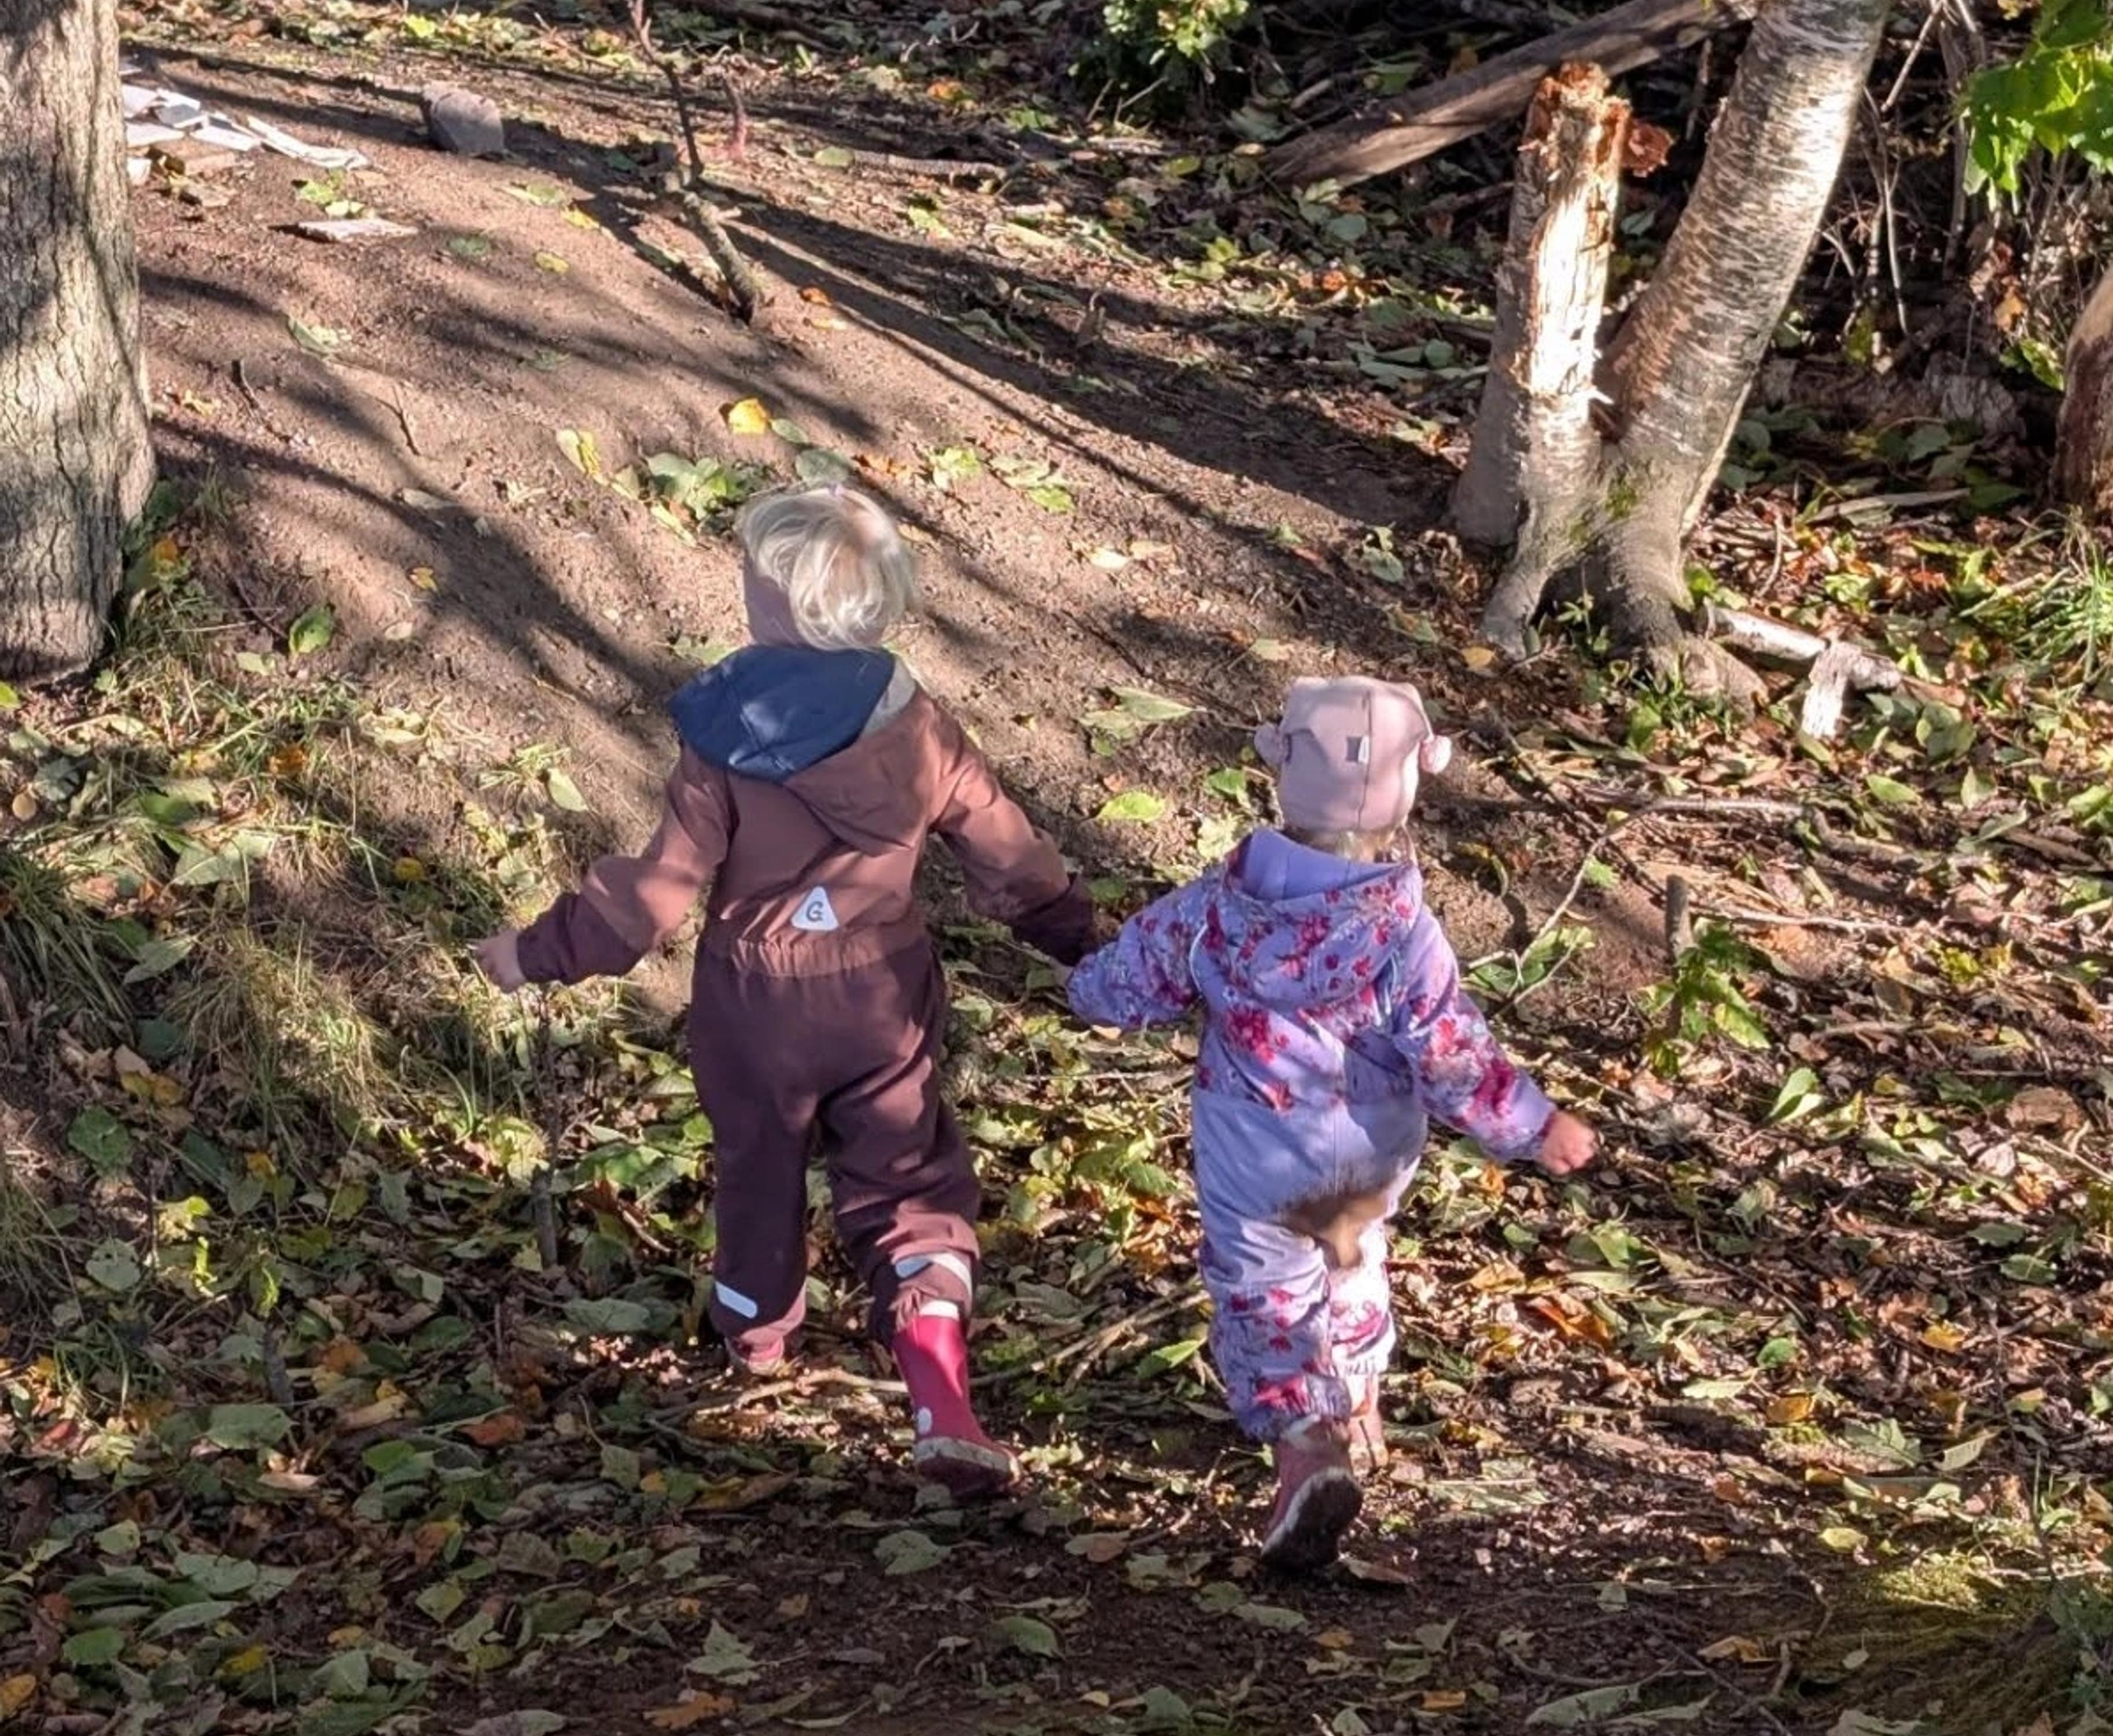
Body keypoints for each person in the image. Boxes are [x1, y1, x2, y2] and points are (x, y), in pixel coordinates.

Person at [474, 484, 1093, 1499]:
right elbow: (1002, 840)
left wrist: (538, 953)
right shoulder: (916, 722)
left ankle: (758, 1342)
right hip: (882, 995)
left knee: (757, 1165)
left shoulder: (723, 730)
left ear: (777, 603)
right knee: (907, 1182)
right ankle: (940, 1398)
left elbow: (660, 890)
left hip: (754, 1002)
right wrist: (1077, 940)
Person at [1066, 677, 1597, 1572]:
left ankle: (1306, 1444)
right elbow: (1451, 1049)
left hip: (1254, 1149)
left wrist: (1083, 987)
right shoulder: (1403, 930)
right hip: (1366, 1148)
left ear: (1281, 778)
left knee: (1266, 1291)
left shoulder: (1219, 906)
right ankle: (1356, 1399)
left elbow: (1130, 979)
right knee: (1351, 1255)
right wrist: (1532, 1124)